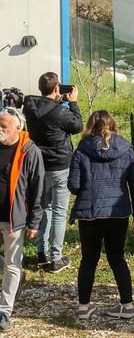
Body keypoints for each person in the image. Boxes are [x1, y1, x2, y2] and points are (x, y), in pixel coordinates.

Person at [67, 110, 134, 320]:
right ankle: (126, 305)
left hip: (89, 213)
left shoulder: (81, 150)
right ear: (113, 124)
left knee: (88, 259)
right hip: (118, 212)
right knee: (117, 258)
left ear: (90, 126)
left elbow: (73, 186)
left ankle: (84, 306)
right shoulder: (126, 149)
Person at [23, 71, 83, 272]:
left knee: (44, 207)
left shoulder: (30, 108)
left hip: (39, 165)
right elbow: (77, 126)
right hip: (59, 166)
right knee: (58, 211)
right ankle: (56, 258)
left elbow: (47, 112)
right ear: (57, 88)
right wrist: (73, 103)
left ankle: (41, 254)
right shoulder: (59, 112)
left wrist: (57, 102)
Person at [0, 107, 44, 331]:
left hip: (13, 218)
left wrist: (35, 221)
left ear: (17, 128)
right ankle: (12, 273)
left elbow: (38, 188)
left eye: (3, 127)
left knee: (12, 264)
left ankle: (4, 311)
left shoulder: (29, 151)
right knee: (9, 265)